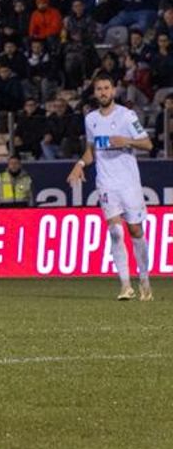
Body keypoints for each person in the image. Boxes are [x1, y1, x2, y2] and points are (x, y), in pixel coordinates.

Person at [67, 75, 154, 301]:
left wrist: (127, 141)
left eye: (107, 88)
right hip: (106, 183)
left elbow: (147, 143)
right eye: (99, 89)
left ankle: (144, 280)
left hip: (129, 184)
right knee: (115, 232)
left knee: (135, 230)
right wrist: (79, 164)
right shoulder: (91, 119)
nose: (103, 92)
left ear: (113, 90)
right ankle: (125, 285)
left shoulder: (127, 116)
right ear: (95, 93)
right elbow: (91, 150)